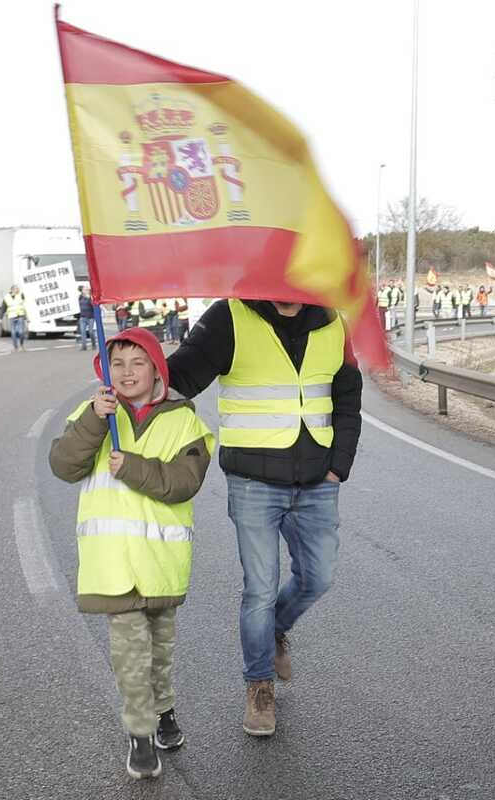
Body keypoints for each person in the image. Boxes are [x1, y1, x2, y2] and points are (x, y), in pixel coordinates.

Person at [166, 298, 363, 737]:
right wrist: (131, 376)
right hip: (253, 482)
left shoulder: (334, 324)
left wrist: (338, 467)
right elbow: (180, 377)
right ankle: (259, 685)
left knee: (320, 576)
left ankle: (274, 630)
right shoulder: (229, 317)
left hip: (317, 481)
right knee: (259, 588)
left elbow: (348, 400)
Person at [48, 327, 214, 780]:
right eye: (116, 363)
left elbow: (185, 482)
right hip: (113, 564)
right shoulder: (93, 414)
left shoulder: (185, 421)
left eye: (137, 362)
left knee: (160, 649)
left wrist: (134, 468)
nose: (126, 373)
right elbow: (64, 465)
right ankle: (139, 735)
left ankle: (164, 713)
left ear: (156, 368)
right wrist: (94, 422)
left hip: (162, 564)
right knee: (129, 652)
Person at [2, 285, 28, 351]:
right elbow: (3, 308)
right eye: (16, 289)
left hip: (20, 316)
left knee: (21, 332)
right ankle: (15, 347)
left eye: (18, 289)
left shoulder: (21, 295)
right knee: (13, 333)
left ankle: (21, 345)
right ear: (12, 290)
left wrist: (26, 316)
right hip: (12, 316)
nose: (18, 290)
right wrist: (0, 317)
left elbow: (26, 304)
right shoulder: (6, 297)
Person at [77, 286, 95, 351]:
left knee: (91, 332)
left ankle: (93, 344)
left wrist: (89, 298)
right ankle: (84, 346)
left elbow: (94, 305)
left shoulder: (91, 297)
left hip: (90, 317)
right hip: (82, 317)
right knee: (83, 332)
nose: (85, 291)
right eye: (84, 289)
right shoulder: (80, 297)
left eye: (87, 289)